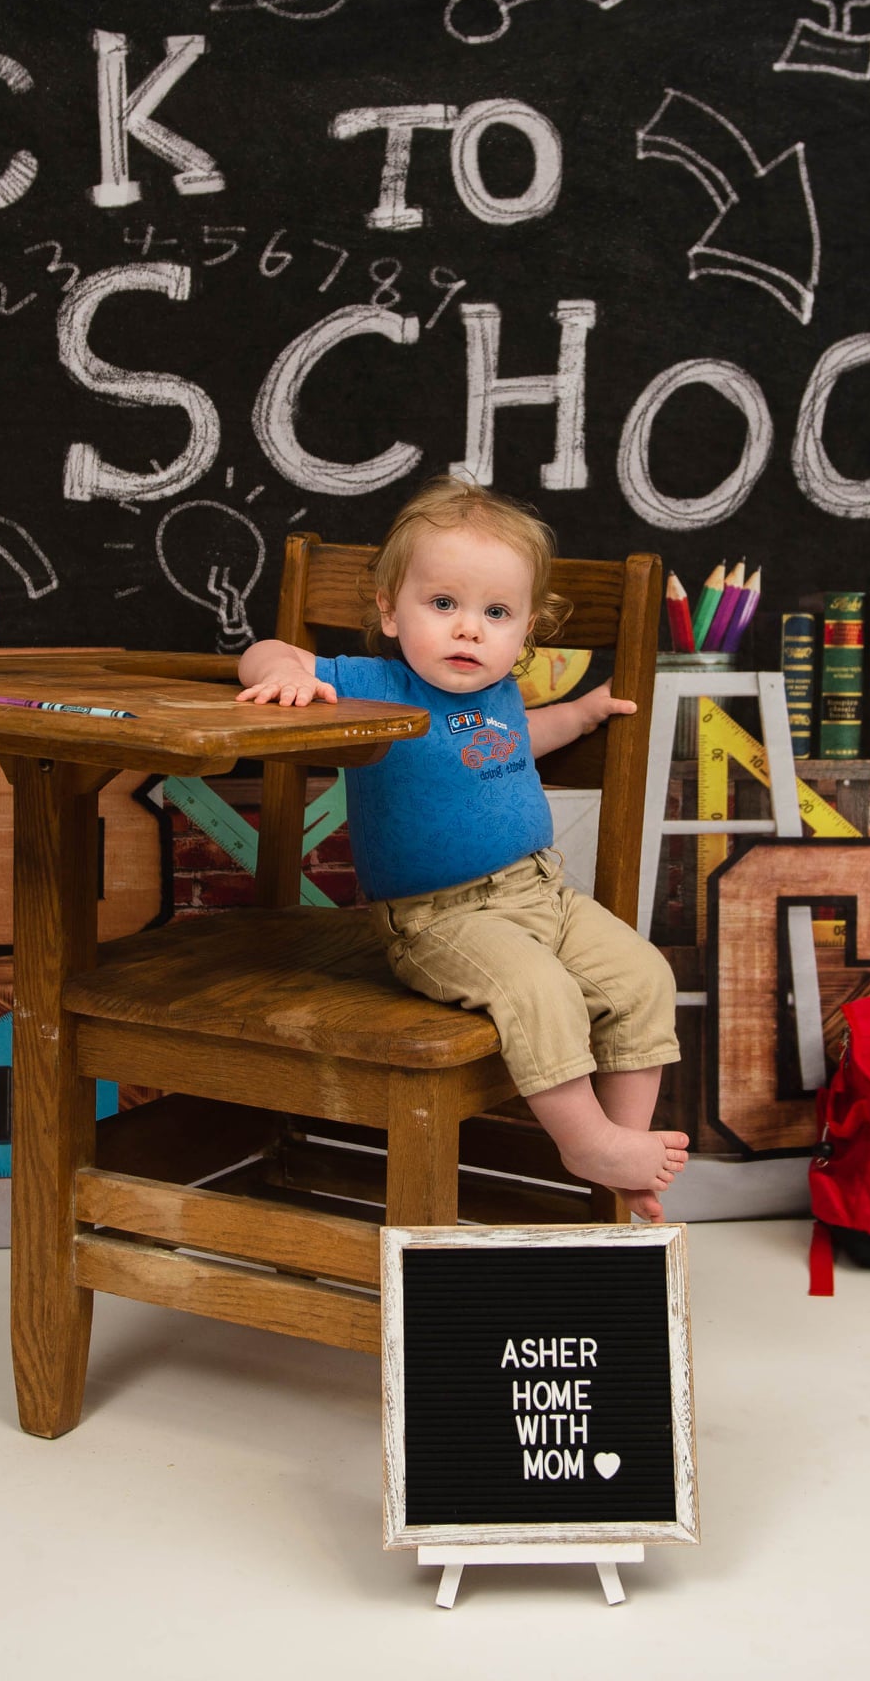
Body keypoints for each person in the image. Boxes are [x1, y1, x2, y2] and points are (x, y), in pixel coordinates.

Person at [236, 476, 687, 1218]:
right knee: (538, 994)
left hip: (542, 892)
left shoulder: (498, 692)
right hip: (440, 919)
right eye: (442, 604)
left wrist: (574, 716)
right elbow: (262, 650)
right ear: (389, 609)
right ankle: (583, 1141)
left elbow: (512, 746)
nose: (468, 630)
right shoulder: (372, 683)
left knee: (643, 977)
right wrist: (284, 671)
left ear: (525, 630)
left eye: (495, 613)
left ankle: (620, 1149)